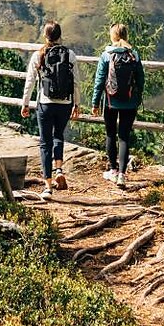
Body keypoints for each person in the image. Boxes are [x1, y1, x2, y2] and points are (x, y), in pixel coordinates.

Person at [20, 20, 78, 200]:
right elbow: (76, 82)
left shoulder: (39, 55)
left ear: (45, 36)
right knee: (58, 135)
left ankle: (47, 187)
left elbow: (30, 82)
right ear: (60, 36)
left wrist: (25, 103)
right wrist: (76, 104)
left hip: (45, 103)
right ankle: (59, 169)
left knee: (45, 143)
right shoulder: (70, 54)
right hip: (65, 103)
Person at [91, 21, 144, 187]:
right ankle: (122, 174)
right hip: (130, 102)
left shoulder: (106, 55)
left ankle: (113, 170)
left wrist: (95, 103)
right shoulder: (134, 55)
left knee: (110, 134)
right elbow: (141, 80)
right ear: (126, 36)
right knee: (124, 136)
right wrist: (137, 98)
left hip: (110, 102)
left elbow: (99, 81)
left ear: (112, 36)